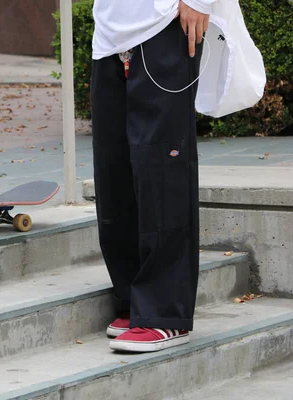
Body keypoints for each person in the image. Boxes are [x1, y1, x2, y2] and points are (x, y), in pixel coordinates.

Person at [90, 0, 214, 352]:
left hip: (166, 24)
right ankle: (133, 299)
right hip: (110, 34)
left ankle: (163, 313)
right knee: (114, 169)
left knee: (162, 168)